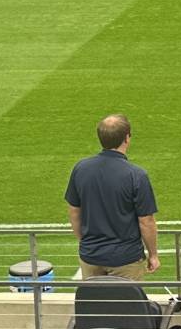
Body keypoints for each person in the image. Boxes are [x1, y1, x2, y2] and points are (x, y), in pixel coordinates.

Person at [65, 113, 158, 278]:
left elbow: (74, 211)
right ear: (127, 138)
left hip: (91, 256)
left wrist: (86, 243)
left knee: (95, 303)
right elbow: (146, 221)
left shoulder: (80, 169)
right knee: (128, 304)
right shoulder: (136, 175)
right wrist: (153, 255)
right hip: (126, 259)